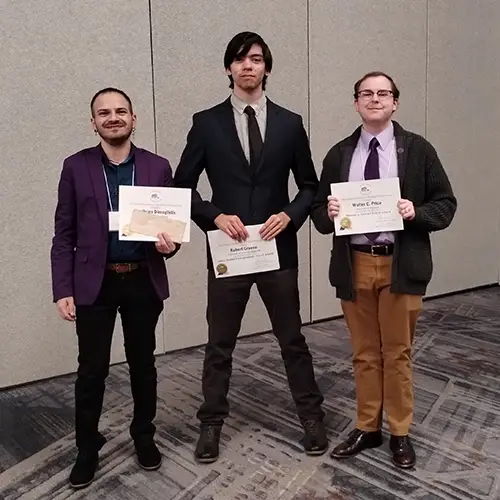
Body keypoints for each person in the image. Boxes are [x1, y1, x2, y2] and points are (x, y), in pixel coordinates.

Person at [174, 31, 327, 463]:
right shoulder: (206, 123)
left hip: (276, 249)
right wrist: (214, 216)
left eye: (256, 59)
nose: (248, 66)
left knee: (292, 339)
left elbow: (309, 185)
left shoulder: (290, 122)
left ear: (266, 68)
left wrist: (291, 215)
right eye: (240, 60)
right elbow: (182, 188)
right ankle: (210, 425)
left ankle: (311, 417)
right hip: (228, 248)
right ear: (228, 68)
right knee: (219, 343)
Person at [311, 71, 457, 469]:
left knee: (397, 353)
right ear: (356, 103)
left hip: (399, 265)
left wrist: (416, 212)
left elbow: (446, 205)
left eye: (383, 93)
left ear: (395, 102)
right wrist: (329, 212)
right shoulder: (340, 154)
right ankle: (367, 426)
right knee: (364, 353)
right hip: (354, 264)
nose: (374, 99)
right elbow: (318, 215)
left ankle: (400, 432)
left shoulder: (418, 150)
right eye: (366, 94)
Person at [50, 87, 179, 489]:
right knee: (91, 372)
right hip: (94, 282)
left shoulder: (158, 167)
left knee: (144, 366)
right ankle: (87, 449)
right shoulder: (75, 167)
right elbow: (63, 233)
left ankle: (143, 437)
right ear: (94, 123)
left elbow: (172, 230)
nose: (113, 117)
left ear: (134, 118)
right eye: (104, 113)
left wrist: (170, 244)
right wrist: (62, 287)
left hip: (142, 278)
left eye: (121, 111)